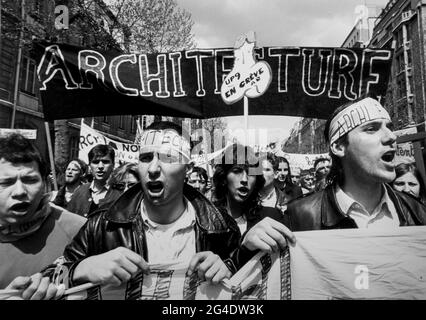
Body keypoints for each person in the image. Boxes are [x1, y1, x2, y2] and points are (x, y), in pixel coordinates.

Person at [49, 121, 240, 288]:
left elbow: (247, 285)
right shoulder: (103, 226)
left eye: (168, 158)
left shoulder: (221, 228)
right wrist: (83, 269)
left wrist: (229, 268)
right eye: (146, 158)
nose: (154, 168)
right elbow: (50, 277)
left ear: (187, 169)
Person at [286, 97, 426, 231]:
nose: (391, 136)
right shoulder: (300, 215)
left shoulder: (417, 211)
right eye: (371, 129)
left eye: (389, 127)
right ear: (339, 147)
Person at [0, 134, 86, 298]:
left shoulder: (79, 230)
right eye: (6, 182)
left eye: (30, 180)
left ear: (45, 183)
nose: (20, 192)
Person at [212, 144, 293, 267]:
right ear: (224, 178)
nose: (244, 179)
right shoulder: (207, 222)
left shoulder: (271, 217)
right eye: (237, 171)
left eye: (250, 173)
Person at [67, 144, 115, 217]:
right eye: (95, 162)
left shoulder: (120, 194)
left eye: (105, 162)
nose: (100, 166)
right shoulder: (79, 191)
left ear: (113, 165)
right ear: (89, 165)